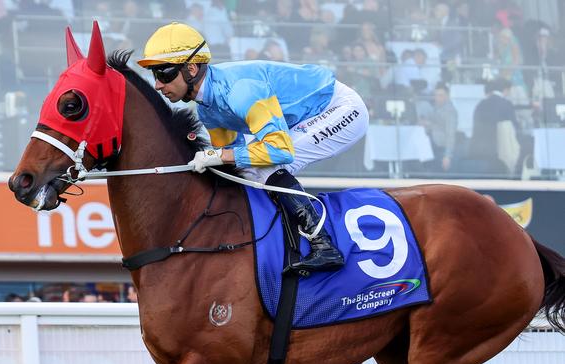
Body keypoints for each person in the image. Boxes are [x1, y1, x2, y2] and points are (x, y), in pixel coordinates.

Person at [138, 23, 369, 273]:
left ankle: (323, 245)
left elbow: (280, 150)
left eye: (164, 74)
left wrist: (220, 155)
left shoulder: (240, 91)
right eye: (155, 75)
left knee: (270, 163)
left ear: (191, 69)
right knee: (251, 170)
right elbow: (235, 162)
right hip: (306, 117)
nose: (158, 85)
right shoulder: (207, 109)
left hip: (341, 109)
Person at [421, 83, 458, 173]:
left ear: (447, 96)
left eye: (441, 95)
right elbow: (436, 124)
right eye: (436, 95)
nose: (437, 98)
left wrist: (447, 156)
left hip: (440, 148)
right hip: (433, 147)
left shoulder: (450, 112)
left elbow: (450, 134)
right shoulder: (436, 107)